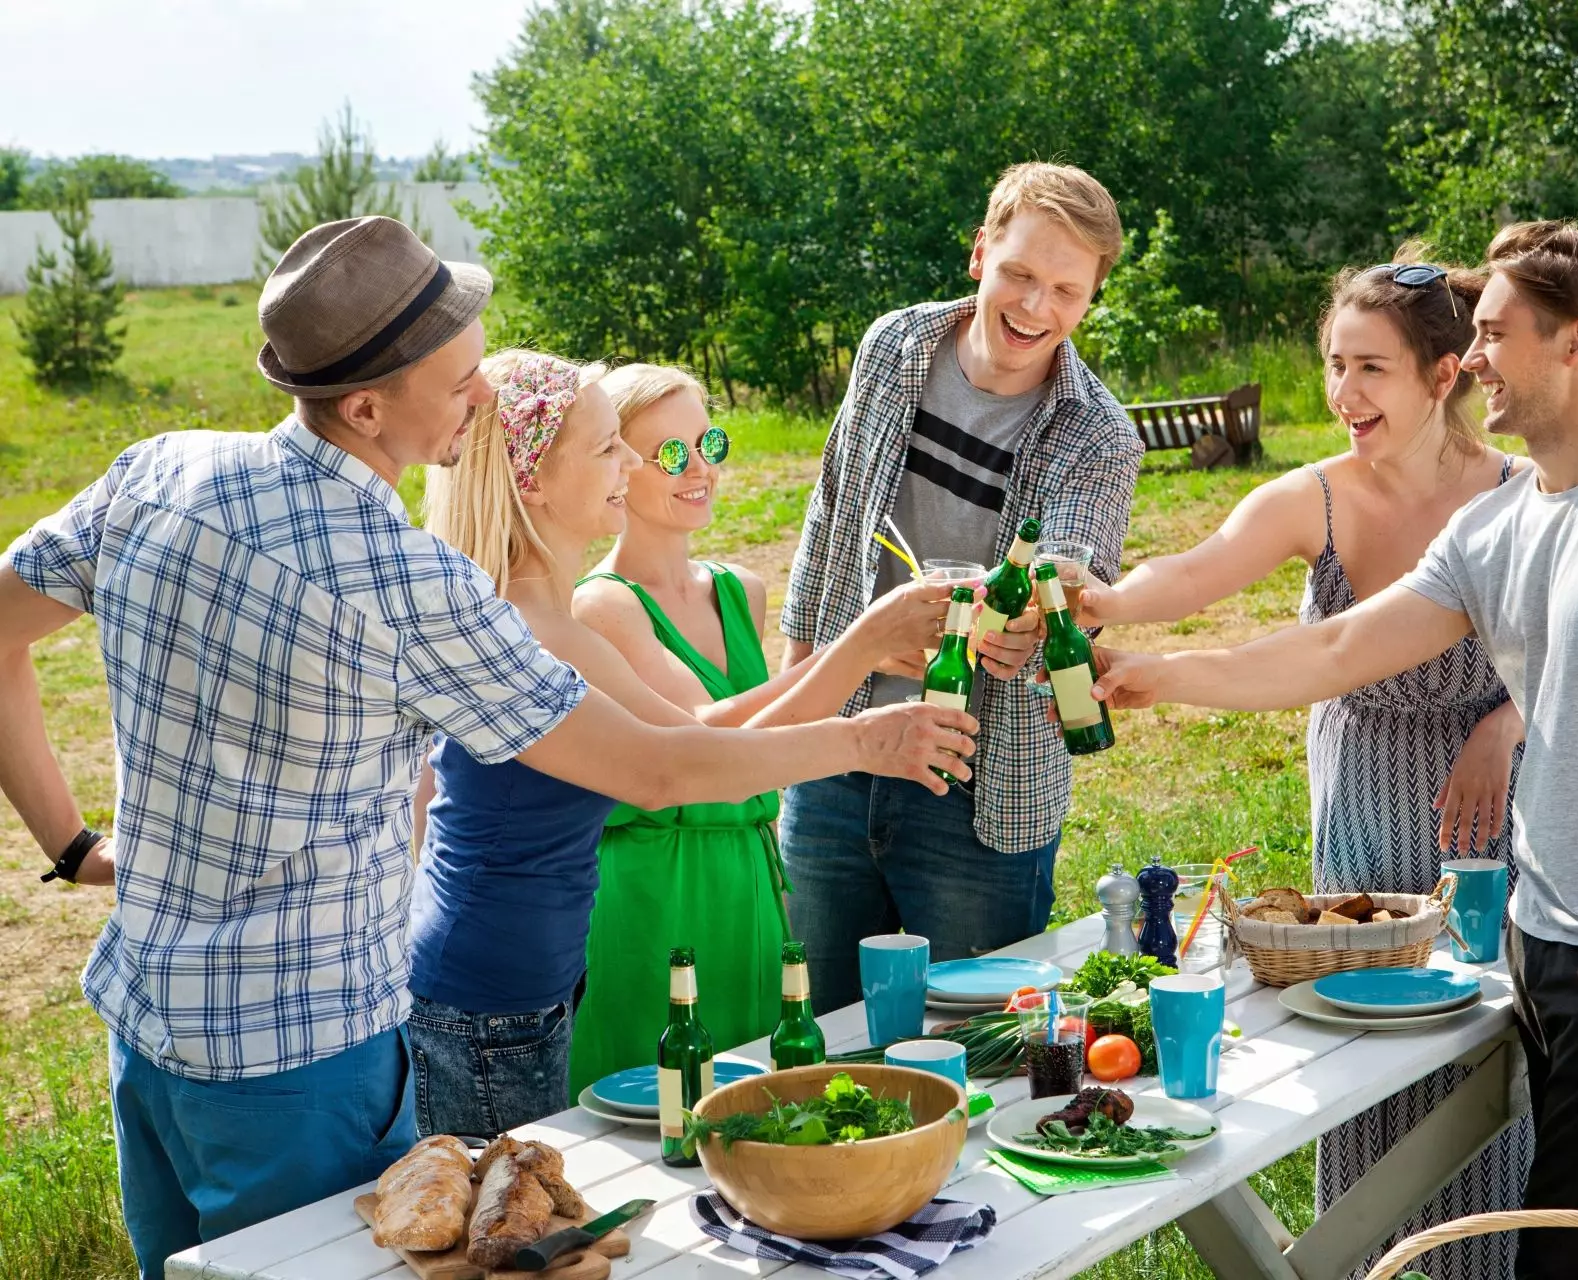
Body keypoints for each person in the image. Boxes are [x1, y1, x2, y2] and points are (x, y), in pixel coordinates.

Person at [0, 217, 973, 1279]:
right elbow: (654, 767)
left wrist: (72, 841)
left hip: (144, 1022)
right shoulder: (408, 583)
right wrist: (866, 735)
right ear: (367, 406)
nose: (481, 396)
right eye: (460, 378)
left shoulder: (160, 469)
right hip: (303, 1064)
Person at [1092, 220, 1578, 1280]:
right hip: (1541, 929)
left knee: (1573, 1252)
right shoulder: (1499, 526)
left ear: (1577, 341)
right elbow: (1336, 648)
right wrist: (1163, 674)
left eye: (1497, 333)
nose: (1474, 357)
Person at [1078, 245, 1532, 1280]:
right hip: (1365, 791)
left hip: (1488, 801)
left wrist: (1503, 724)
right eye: (1333, 363)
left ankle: (1483, 1258)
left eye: (1369, 366)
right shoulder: (1315, 496)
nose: (1341, 392)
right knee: (1362, 1016)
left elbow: (1567, 652)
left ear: (1442, 373)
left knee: (1481, 1034)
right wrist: (1102, 601)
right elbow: (1191, 571)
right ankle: (1362, 1254)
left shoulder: (1517, 492)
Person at [408, 352, 950, 1136]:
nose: (630, 463)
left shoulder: (543, 618)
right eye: (607, 448)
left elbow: (687, 741)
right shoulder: (535, 629)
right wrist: (863, 738)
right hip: (489, 1003)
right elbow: (666, 773)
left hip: (519, 989)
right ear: (531, 479)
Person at [779, 161, 1145, 1011]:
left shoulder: (1100, 436)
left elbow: (1070, 564)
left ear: (1091, 299)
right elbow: (829, 517)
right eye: (1019, 274)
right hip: (839, 742)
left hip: (981, 786)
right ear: (981, 254)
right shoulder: (894, 347)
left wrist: (1032, 610)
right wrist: (792, 696)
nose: (1035, 307)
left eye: (1065, 289)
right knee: (819, 1022)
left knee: (972, 1044)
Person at [564, 363, 954, 1093]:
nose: (701, 468)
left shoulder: (739, 590)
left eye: (709, 442)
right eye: (672, 454)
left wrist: (862, 653)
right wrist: (858, 647)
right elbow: (702, 734)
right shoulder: (602, 606)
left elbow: (770, 737)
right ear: (619, 465)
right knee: (648, 1106)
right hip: (657, 885)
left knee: (750, 1099)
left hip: (748, 875)